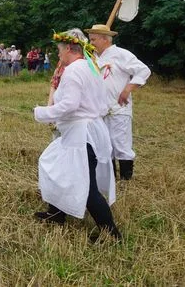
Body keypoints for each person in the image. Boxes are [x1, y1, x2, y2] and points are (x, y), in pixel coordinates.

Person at [33, 28, 120, 240]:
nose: (59, 55)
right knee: (56, 166)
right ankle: (56, 213)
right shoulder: (91, 67)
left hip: (81, 136)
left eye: (60, 50)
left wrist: (42, 113)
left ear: (70, 48)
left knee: (88, 189)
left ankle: (112, 235)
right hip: (84, 132)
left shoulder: (73, 70)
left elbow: (70, 105)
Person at [86, 24, 151, 180]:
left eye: (94, 39)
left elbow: (144, 70)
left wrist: (128, 89)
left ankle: (126, 181)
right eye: (90, 40)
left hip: (118, 109)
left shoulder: (121, 54)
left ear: (105, 39)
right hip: (100, 111)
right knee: (104, 145)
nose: (91, 43)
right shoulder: (93, 57)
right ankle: (110, 180)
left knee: (120, 144)